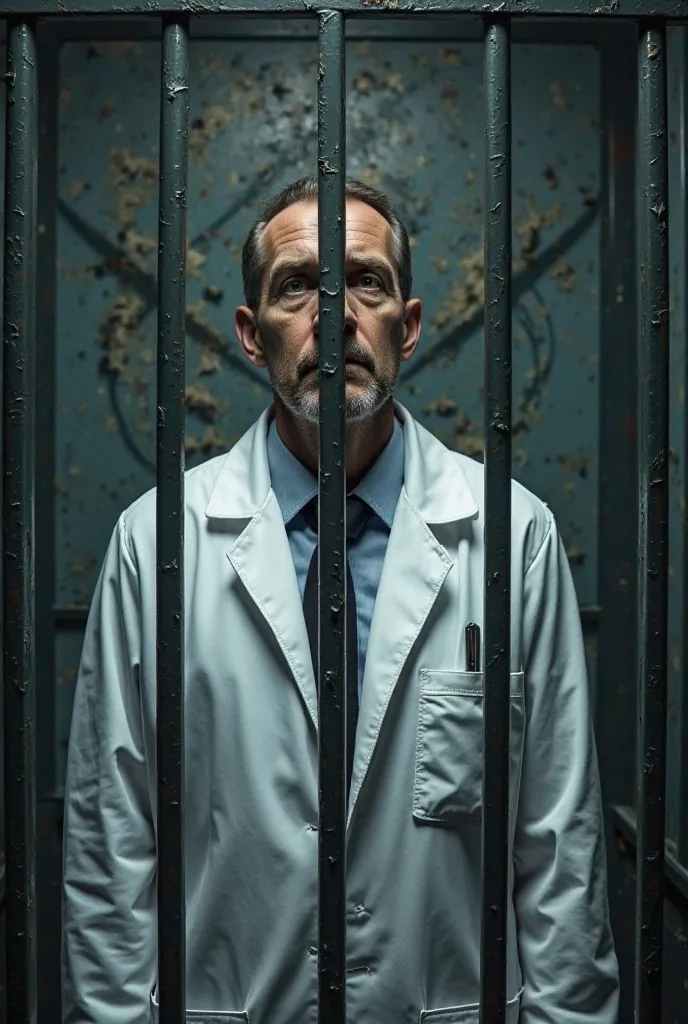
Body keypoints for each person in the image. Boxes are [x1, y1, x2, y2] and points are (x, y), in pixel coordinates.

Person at [61, 176, 620, 1024]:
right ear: (252, 335)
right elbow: (111, 843)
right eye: (297, 286)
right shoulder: (157, 543)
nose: (335, 314)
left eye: (367, 281)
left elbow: (560, 843)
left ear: (411, 324)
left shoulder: (511, 536)